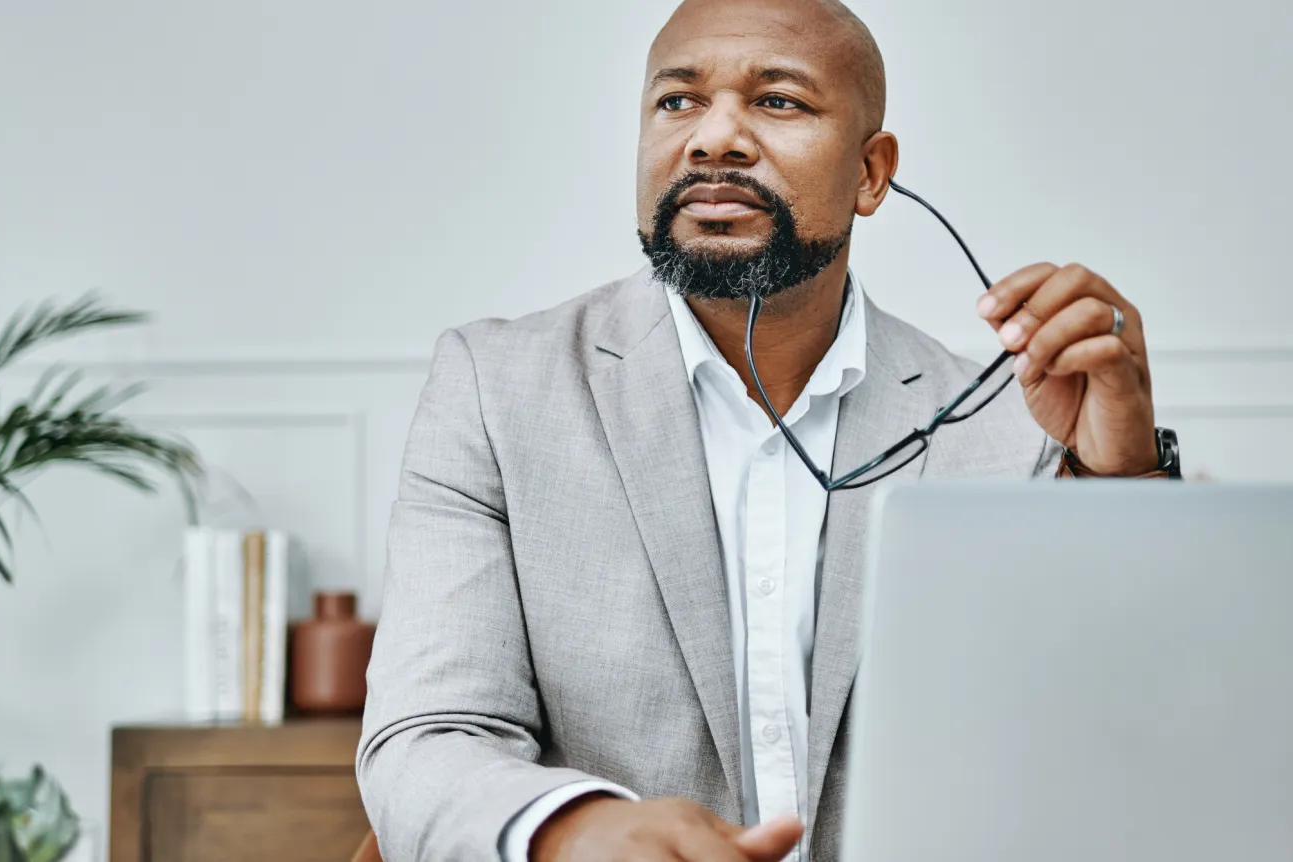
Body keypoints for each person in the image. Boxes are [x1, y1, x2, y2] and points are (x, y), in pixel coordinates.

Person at [354, 0, 1175, 859]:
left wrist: (1122, 474)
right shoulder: (495, 389)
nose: (713, 139)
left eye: (777, 101)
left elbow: (1135, 736)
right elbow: (427, 738)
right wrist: (577, 832)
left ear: (871, 173)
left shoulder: (1008, 422)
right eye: (677, 102)